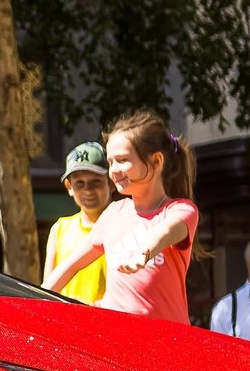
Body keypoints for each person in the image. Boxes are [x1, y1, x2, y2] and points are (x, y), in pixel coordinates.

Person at [41, 111, 197, 321]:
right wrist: (33, 300)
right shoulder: (112, 214)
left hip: (167, 341)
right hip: (117, 339)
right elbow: (70, 266)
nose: (114, 170)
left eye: (122, 160)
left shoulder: (180, 210)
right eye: (110, 162)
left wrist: (144, 251)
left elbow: (166, 231)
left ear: (156, 161)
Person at [42, 142, 113, 304]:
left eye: (96, 182)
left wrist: (92, 307)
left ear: (111, 183)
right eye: (79, 183)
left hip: (109, 321)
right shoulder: (59, 229)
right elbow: (47, 289)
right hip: (65, 322)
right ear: (69, 186)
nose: (88, 190)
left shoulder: (123, 227)